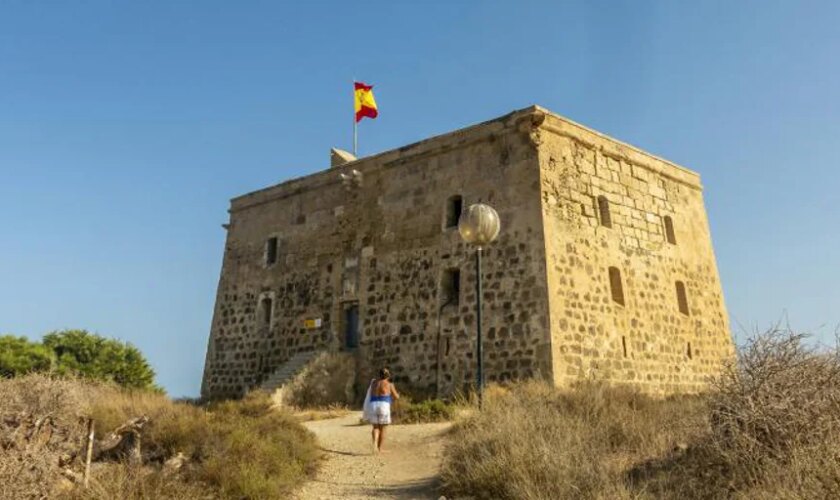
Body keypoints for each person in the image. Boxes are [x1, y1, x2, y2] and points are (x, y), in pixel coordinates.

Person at [364, 367, 399, 453]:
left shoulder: (374, 383)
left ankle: (375, 444)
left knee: (375, 427)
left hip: (373, 405)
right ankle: (380, 449)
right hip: (384, 405)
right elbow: (396, 397)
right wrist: (397, 395)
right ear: (388, 375)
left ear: (379, 375)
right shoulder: (389, 383)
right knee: (383, 427)